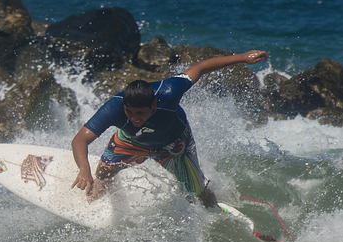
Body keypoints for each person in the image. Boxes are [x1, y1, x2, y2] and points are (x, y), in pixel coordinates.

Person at [71, 50, 269, 209]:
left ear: (153, 105)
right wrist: (83, 169)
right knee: (102, 174)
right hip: (131, 140)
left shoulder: (169, 91)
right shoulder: (114, 107)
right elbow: (80, 140)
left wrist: (243, 57)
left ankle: (213, 209)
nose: (134, 117)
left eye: (140, 112)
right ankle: (98, 193)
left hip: (175, 145)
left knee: (196, 196)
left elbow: (200, 68)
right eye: (129, 112)